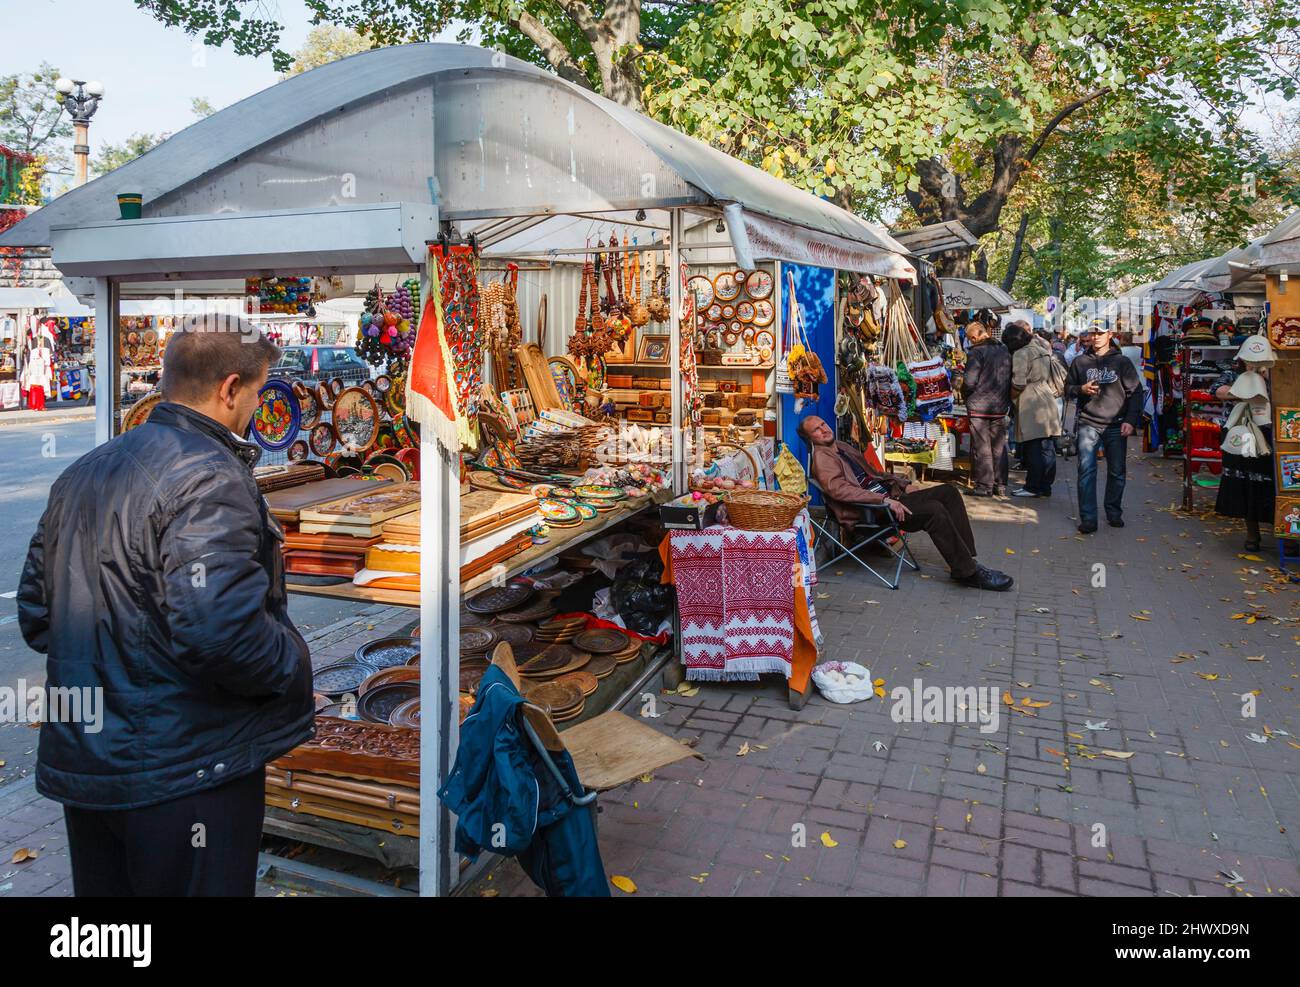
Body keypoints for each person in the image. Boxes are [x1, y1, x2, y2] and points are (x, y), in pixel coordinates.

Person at [18, 314, 314, 896]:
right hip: (185, 772)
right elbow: (221, 633)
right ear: (230, 389)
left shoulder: (84, 470)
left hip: (93, 767)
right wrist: (293, 669)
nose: (258, 408)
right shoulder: (210, 476)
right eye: (257, 393)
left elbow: (39, 613)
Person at [799, 415, 1013, 590]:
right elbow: (840, 491)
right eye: (817, 429)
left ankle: (967, 561)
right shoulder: (822, 458)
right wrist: (885, 500)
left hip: (889, 499)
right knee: (933, 511)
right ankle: (968, 573)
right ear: (811, 438)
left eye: (823, 423)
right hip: (872, 511)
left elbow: (874, 474)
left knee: (949, 492)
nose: (824, 429)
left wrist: (902, 485)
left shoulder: (841, 446)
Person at [1063, 326, 1143, 533]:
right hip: (1088, 423)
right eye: (1093, 333)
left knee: (1117, 471)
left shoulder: (1121, 362)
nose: (1096, 337)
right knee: (1086, 470)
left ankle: (1113, 511)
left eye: (1101, 333)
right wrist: (1080, 389)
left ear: (1110, 335)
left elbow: (1135, 392)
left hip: (1116, 425)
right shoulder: (1080, 362)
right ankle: (1088, 518)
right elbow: (1067, 388)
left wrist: (1130, 420)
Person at [1006, 322, 1062, 498]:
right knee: (1046, 446)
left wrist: (1011, 396)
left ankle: (1032, 486)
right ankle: (1046, 486)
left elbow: (1019, 382)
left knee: (1032, 447)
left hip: (1030, 400)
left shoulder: (1021, 353)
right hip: (1046, 397)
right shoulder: (1041, 347)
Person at [960, 319, 1011, 497]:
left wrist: (964, 393)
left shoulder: (977, 352)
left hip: (979, 406)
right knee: (998, 445)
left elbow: (969, 381)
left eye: (969, 338)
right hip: (999, 405)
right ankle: (1000, 484)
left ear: (974, 337)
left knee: (982, 447)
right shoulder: (1004, 350)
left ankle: (984, 485)